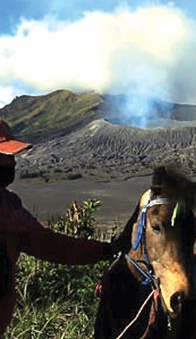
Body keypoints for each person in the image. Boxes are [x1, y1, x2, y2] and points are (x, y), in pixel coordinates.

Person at [0, 119, 114, 335]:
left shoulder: (10, 207)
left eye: (10, 156)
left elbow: (49, 244)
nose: (10, 163)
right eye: (3, 156)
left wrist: (104, 250)